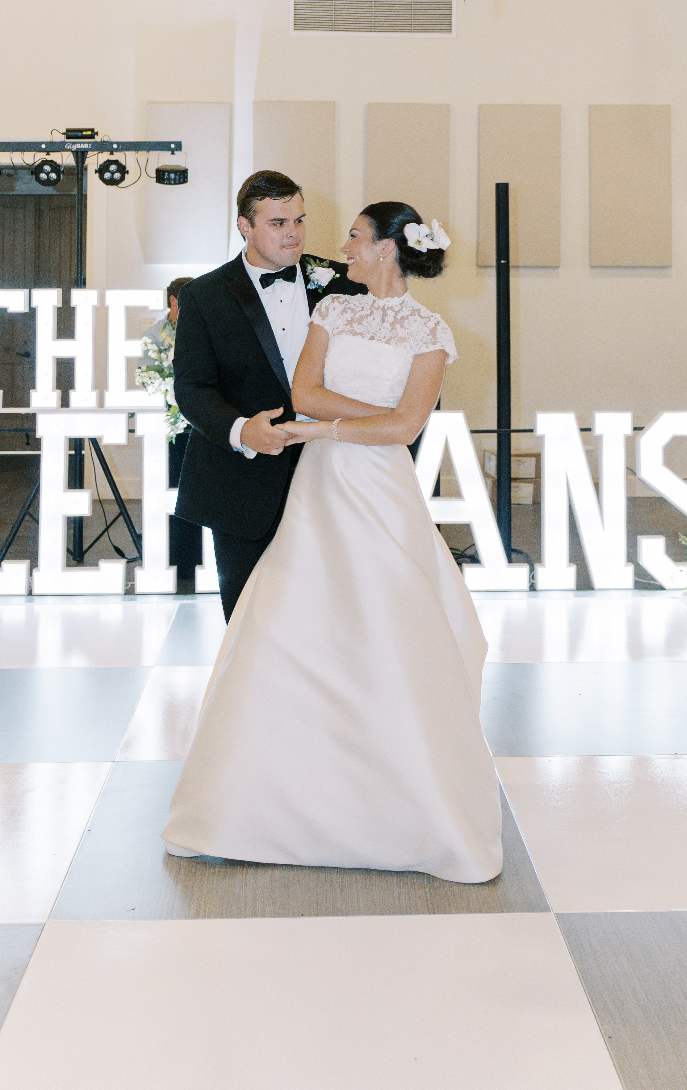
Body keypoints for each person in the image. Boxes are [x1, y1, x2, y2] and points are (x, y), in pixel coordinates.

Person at [162, 202, 503, 885]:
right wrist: (362, 421)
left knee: (387, 626)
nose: (339, 244)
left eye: (354, 235)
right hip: (321, 483)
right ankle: (263, 800)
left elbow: (406, 430)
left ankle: (400, 799)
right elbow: (305, 390)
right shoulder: (334, 312)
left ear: (384, 248)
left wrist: (337, 428)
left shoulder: (432, 330)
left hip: (380, 488)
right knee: (291, 621)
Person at [172, 170, 365, 622]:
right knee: (250, 622)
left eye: (299, 220)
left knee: (332, 618)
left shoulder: (343, 283)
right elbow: (192, 387)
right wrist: (242, 431)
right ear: (245, 226)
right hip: (242, 485)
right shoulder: (203, 296)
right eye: (278, 223)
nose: (293, 233)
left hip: (333, 476)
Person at [162, 276, 202, 583]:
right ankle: (181, 563)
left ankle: (204, 561)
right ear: (175, 301)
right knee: (175, 494)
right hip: (174, 428)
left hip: (203, 427)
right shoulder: (155, 334)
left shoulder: (205, 327)